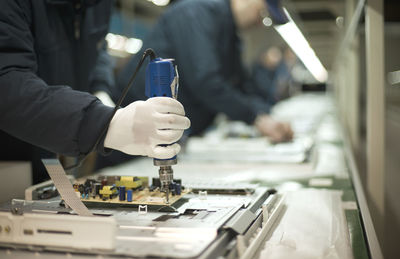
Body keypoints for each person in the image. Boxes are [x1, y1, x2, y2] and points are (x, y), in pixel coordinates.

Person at [0, 0, 190, 184]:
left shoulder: (97, 4)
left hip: (56, 144)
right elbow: (7, 82)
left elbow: (98, 48)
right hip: (9, 158)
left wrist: (100, 89)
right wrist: (103, 123)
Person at [117, 0, 293, 143]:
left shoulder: (230, 35)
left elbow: (242, 86)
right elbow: (205, 80)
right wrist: (255, 117)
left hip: (170, 130)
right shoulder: (195, 13)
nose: (260, 24)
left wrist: (265, 114)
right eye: (262, 14)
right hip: (136, 127)